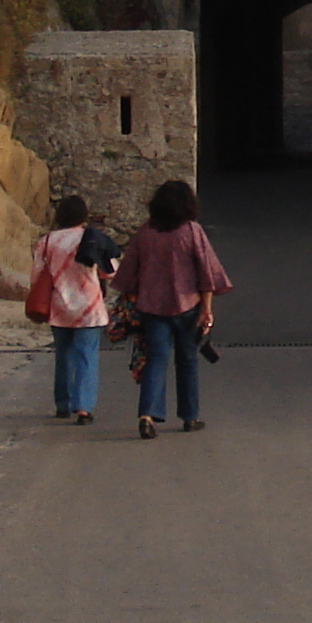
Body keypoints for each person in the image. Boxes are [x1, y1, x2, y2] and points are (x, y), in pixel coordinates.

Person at [110, 179, 234, 440]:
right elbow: (207, 274)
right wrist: (207, 310)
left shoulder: (145, 233)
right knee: (187, 361)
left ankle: (147, 414)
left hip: (152, 308)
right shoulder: (191, 232)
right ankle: (190, 416)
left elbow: (127, 274)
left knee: (156, 360)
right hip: (188, 307)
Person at [32, 195, 116, 425]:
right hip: (89, 307)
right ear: (84, 216)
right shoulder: (91, 239)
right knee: (86, 355)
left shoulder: (47, 241)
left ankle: (63, 403)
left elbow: (36, 275)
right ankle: (84, 407)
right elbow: (109, 272)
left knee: (63, 354)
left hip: (59, 306)